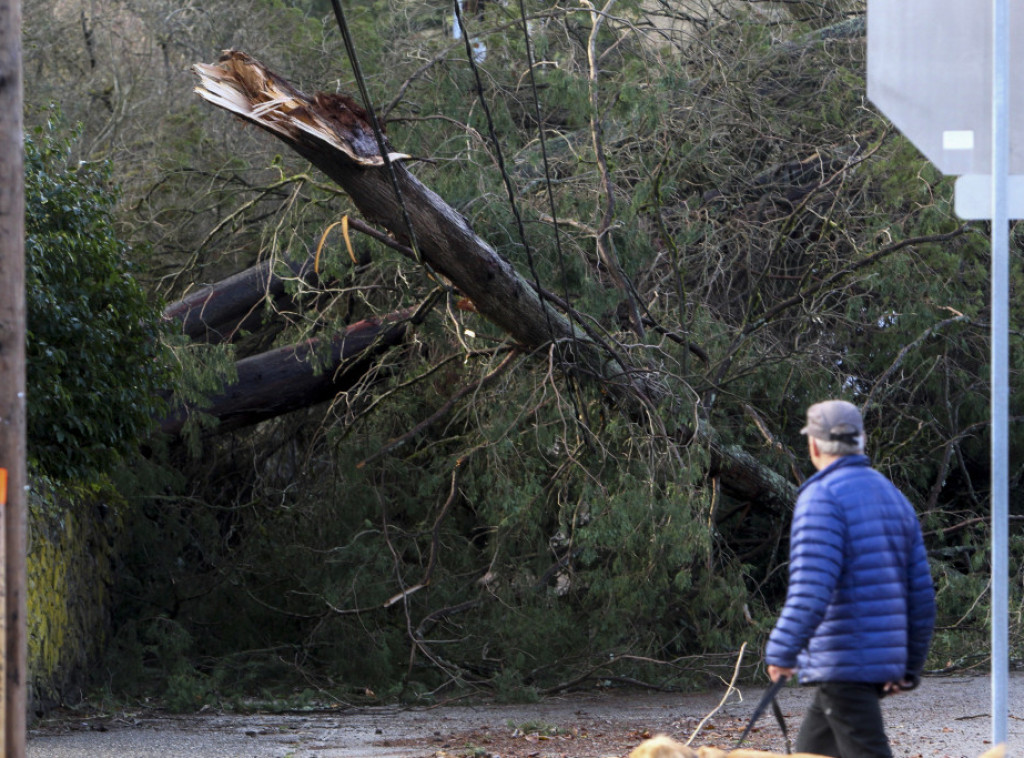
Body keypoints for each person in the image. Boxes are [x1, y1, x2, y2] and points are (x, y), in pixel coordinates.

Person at [764, 399, 936, 758]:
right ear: (861, 441)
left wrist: (782, 650)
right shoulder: (893, 498)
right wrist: (909, 665)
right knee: (812, 752)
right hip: (854, 666)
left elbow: (811, 590)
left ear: (814, 445)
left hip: (843, 662)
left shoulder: (821, 496)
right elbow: (921, 597)